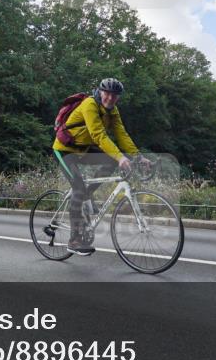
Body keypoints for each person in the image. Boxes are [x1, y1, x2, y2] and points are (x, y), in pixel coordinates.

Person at [52, 78, 148, 255]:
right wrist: (120, 157)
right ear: (100, 91)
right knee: (78, 187)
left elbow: (121, 134)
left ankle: (87, 194)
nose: (110, 98)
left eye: (115, 95)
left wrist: (137, 156)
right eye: (107, 93)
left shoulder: (113, 111)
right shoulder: (90, 104)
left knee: (109, 160)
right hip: (65, 151)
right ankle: (74, 240)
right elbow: (99, 135)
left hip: (84, 149)